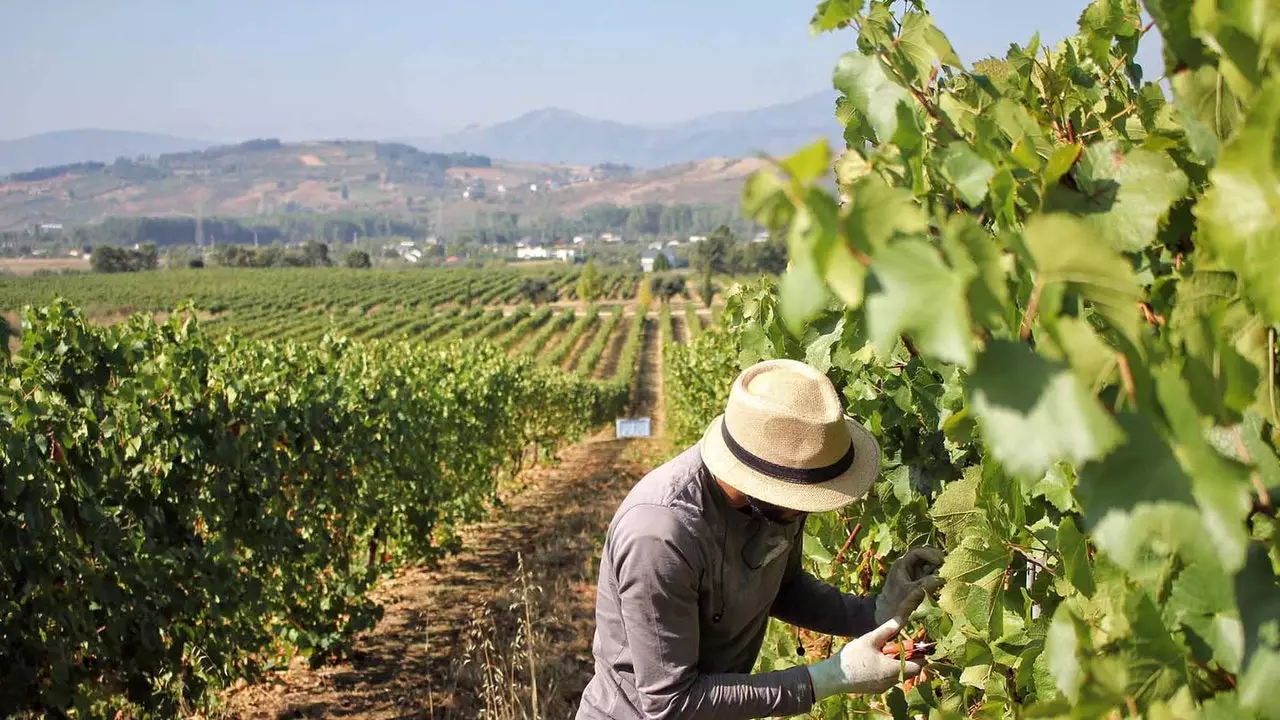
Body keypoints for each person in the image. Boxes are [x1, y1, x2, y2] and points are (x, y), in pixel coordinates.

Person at [577, 359, 945, 719]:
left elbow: (784, 588)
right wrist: (829, 678)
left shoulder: (777, 501)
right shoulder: (660, 537)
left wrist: (874, 612)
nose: (807, 511)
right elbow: (670, 704)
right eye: (802, 499)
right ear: (760, 481)